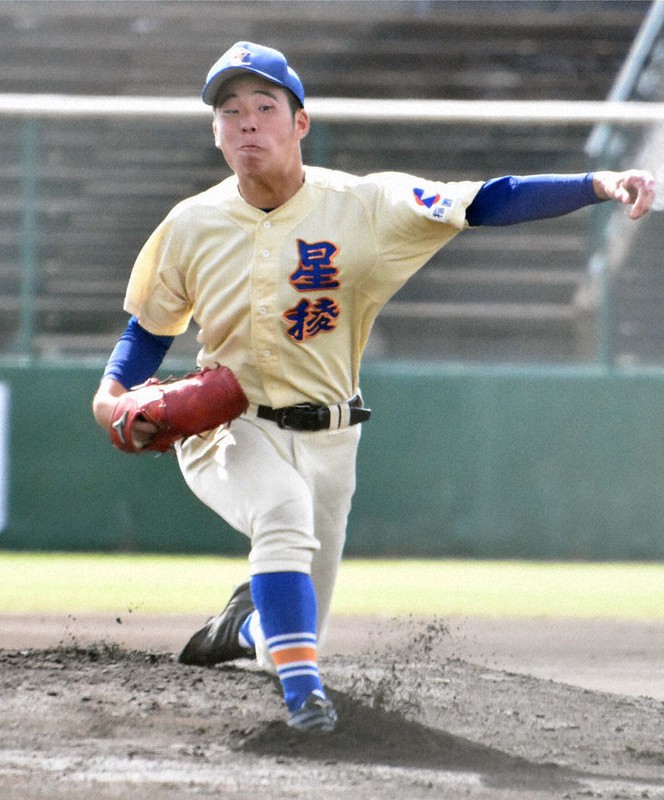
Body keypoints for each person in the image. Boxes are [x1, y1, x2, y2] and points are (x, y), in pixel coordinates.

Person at [92, 41, 655, 734]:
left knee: (287, 635)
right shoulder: (189, 225)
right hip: (228, 427)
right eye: (230, 111)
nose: (246, 123)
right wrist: (111, 394)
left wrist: (597, 184)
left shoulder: (366, 205)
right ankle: (307, 700)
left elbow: (485, 201)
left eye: (265, 107)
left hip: (334, 438)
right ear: (215, 131)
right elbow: (147, 331)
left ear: (300, 124)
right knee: (280, 514)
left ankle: (248, 631)